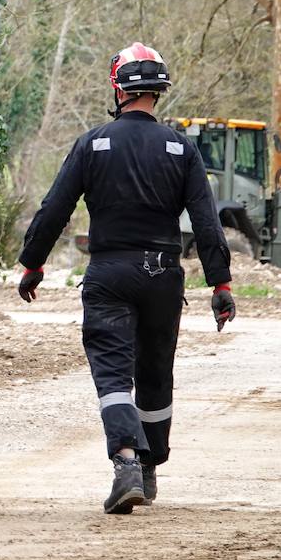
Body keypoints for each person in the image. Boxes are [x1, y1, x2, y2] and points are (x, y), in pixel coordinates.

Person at [17, 42, 235, 515]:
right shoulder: (182, 148)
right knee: (156, 372)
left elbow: (54, 209)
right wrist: (221, 285)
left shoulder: (92, 143)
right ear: (158, 91)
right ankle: (151, 469)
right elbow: (206, 223)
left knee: (114, 374)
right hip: (162, 273)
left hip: (109, 272)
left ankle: (126, 463)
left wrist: (32, 263)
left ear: (117, 87)